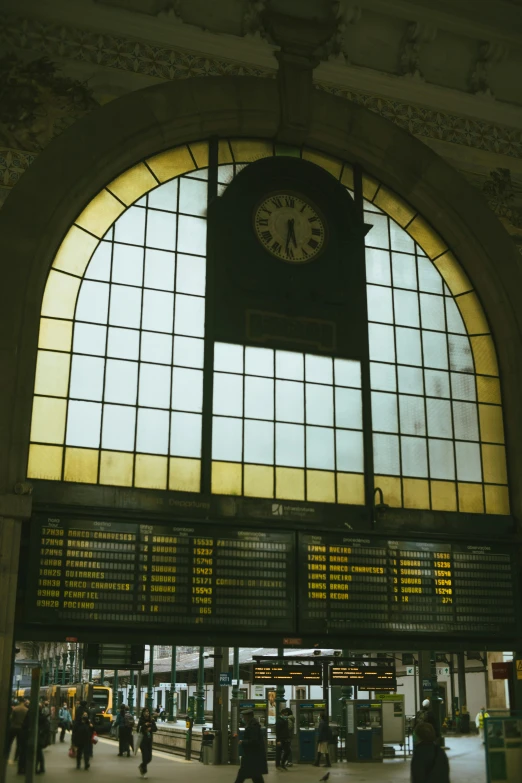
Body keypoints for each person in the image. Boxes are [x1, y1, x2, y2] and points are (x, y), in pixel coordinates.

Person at [234, 708, 268, 783]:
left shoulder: (253, 726)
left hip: (252, 755)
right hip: (253, 755)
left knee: (243, 774)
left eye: (244, 716)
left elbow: (254, 741)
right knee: (256, 776)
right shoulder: (253, 724)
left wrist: (243, 742)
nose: (243, 718)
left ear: (248, 716)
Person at [137, 707, 157, 779]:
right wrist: (145, 725)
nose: (147, 713)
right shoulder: (141, 720)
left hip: (149, 741)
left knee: (149, 758)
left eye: (148, 712)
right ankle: (144, 772)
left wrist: (150, 728)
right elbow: (138, 729)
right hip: (142, 741)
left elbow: (155, 729)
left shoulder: (151, 720)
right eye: (145, 712)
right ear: (143, 713)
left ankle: (141, 766)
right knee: (145, 757)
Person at [7, 697, 28, 763]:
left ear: (19, 702)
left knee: (9, 742)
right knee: (19, 744)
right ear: (24, 702)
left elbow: (11, 718)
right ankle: (16, 757)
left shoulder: (15, 709)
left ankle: (6, 755)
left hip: (13, 727)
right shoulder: (26, 710)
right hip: (21, 728)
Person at [36, 703, 50, 775]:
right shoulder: (43, 717)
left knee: (37, 753)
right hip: (41, 738)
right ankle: (40, 768)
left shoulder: (37, 717)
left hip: (38, 737)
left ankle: (38, 768)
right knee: (39, 753)